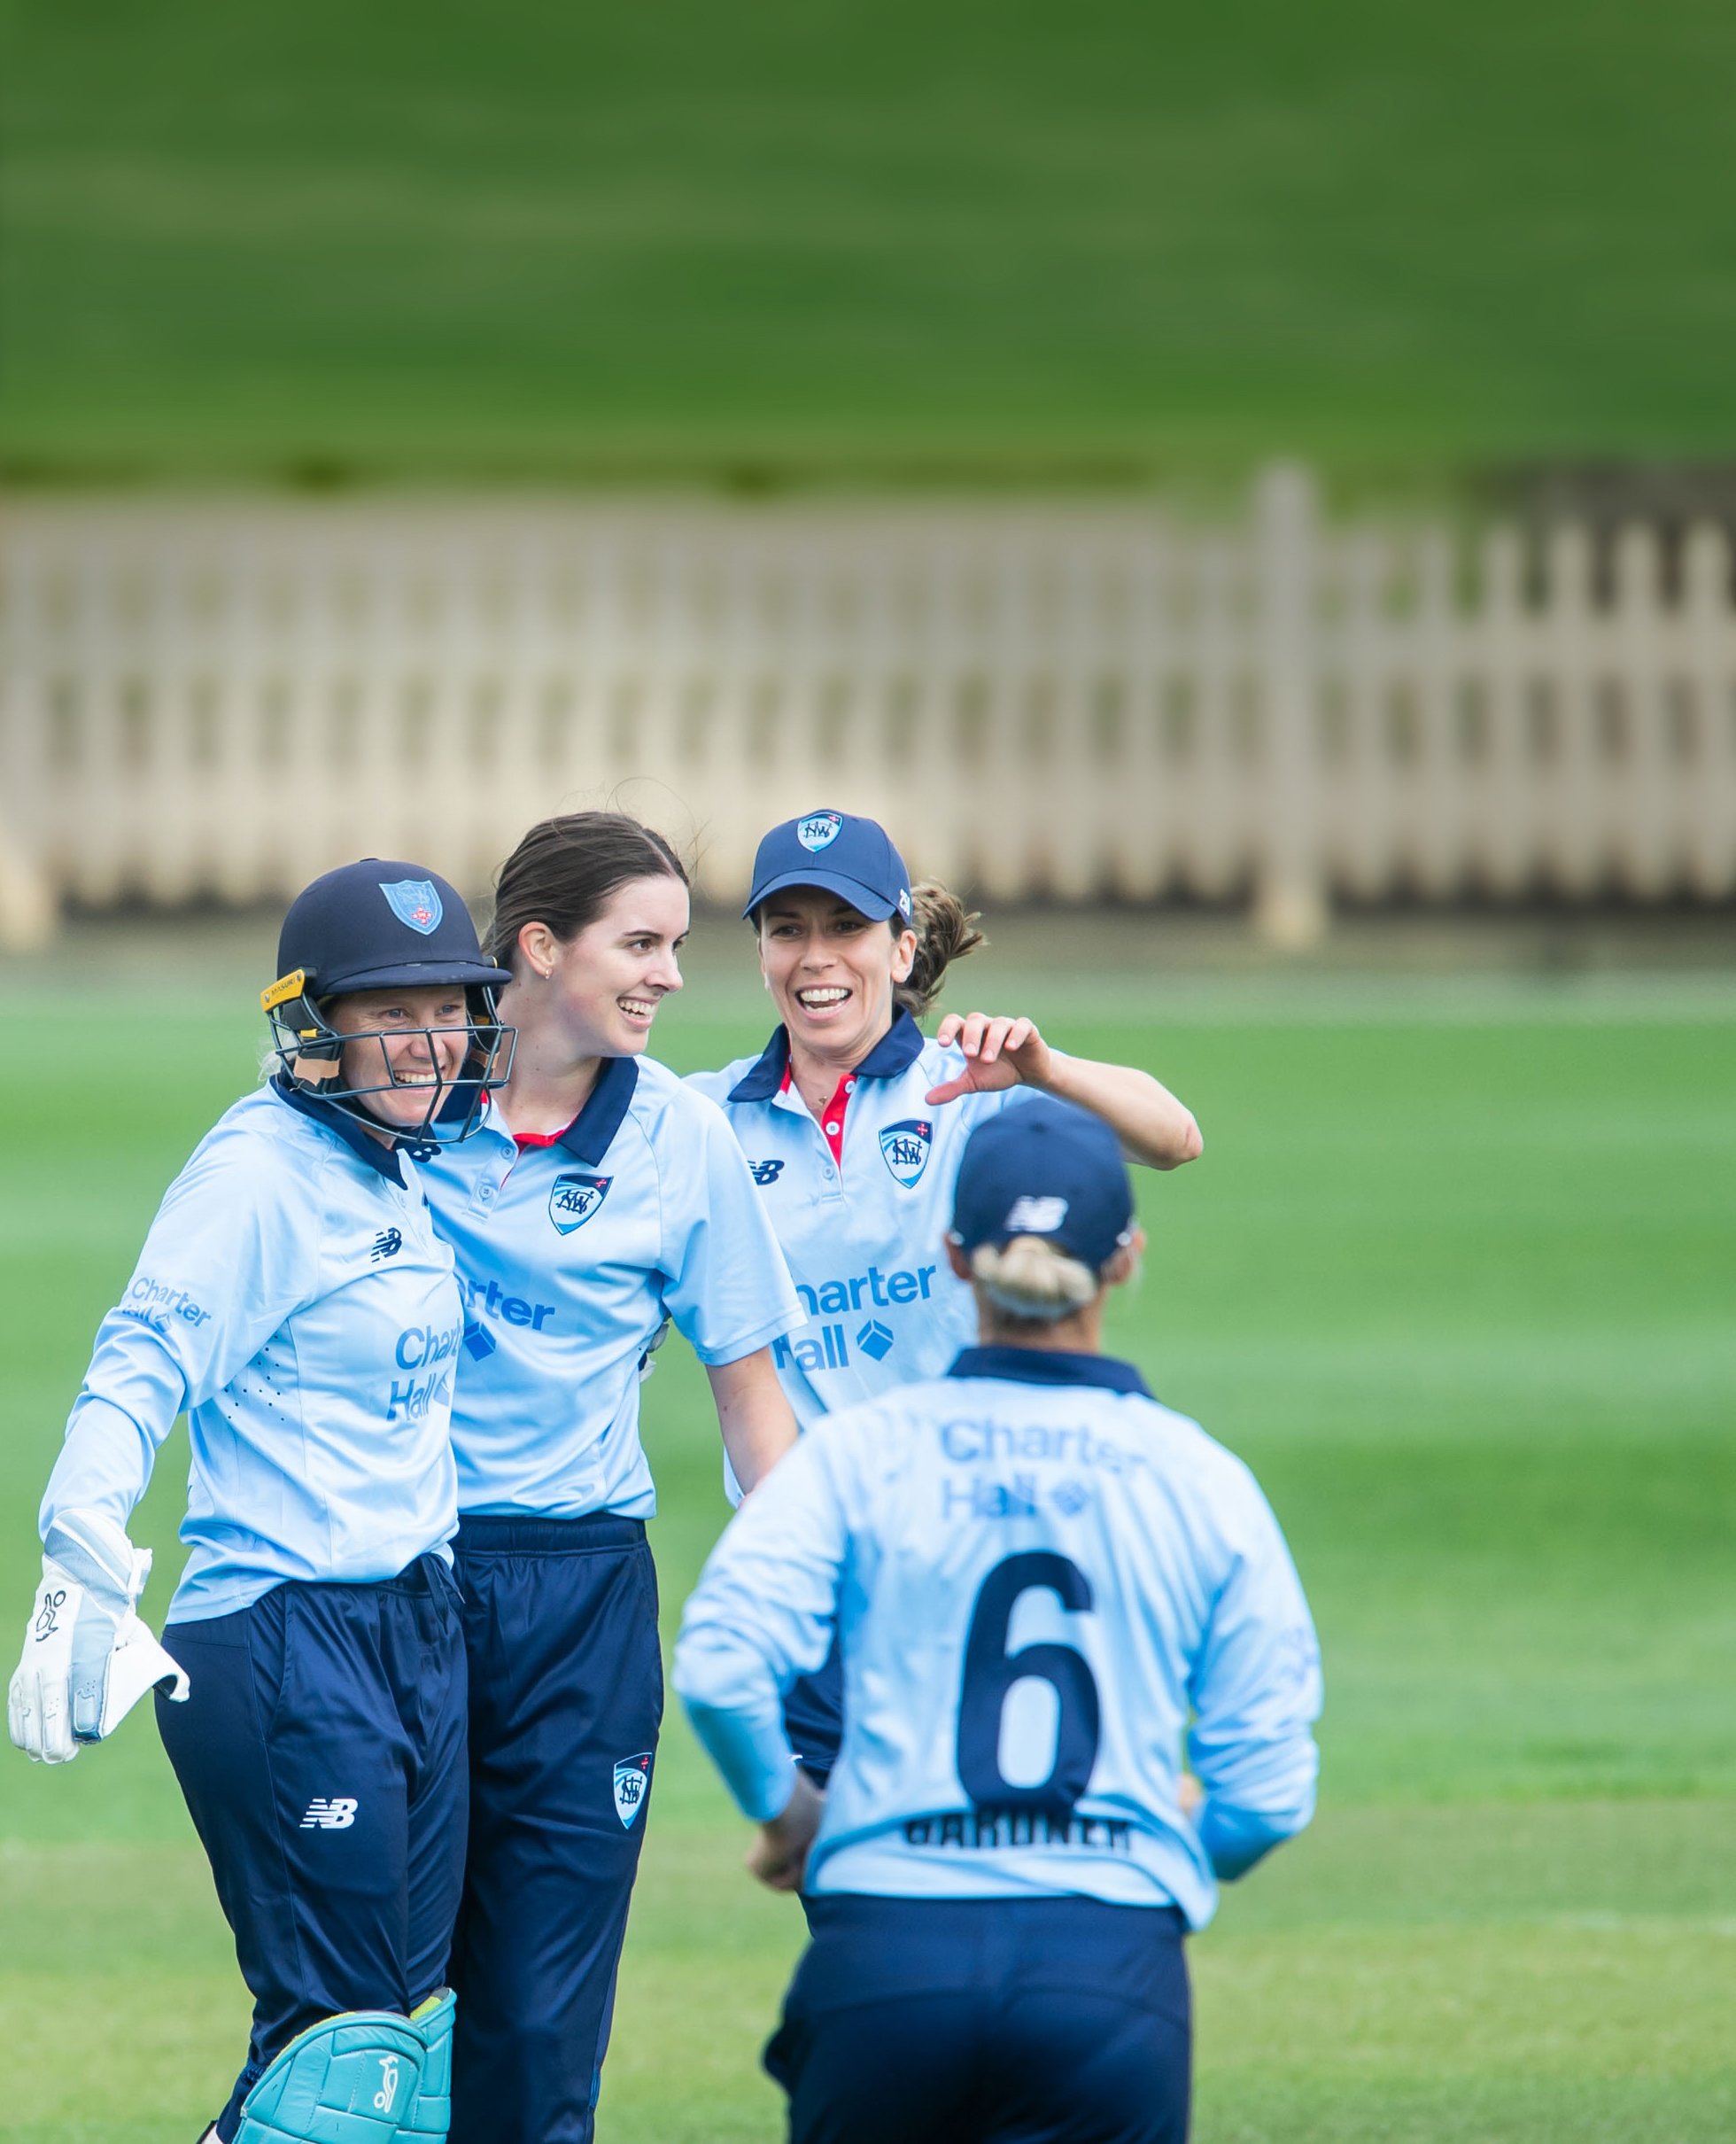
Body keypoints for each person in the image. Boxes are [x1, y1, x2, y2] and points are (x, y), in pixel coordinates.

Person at [673, 1097, 1321, 2144]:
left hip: (887, 1954)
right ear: (1124, 1258)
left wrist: (789, 1814)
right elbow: (1268, 1795)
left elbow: (717, 1663)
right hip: (1103, 1970)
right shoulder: (1197, 1476)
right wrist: (1158, 1843)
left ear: (955, 1257)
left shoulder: (860, 1452)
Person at [7, 859, 515, 2144]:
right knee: (336, 2070)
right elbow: (140, 1362)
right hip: (285, 1642)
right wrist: (79, 1544)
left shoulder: (397, 1167)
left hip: (414, 1627)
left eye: (448, 1007)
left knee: (393, 2053)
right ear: (320, 1024)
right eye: (389, 1010)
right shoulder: (257, 1173)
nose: (428, 1040)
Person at [414, 811, 802, 2144]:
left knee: (540, 2015)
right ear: (538, 946)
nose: (672, 975)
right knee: (372, 2003)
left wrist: (810, 1594)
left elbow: (750, 1394)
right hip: (394, 1589)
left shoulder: (682, 1139)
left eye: (678, 946)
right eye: (640, 943)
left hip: (579, 1601)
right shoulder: (399, 1104)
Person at [685, 807, 1203, 1777]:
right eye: (786, 928)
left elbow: (1173, 1138)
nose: (814, 956)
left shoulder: (970, 1086)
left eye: (844, 927)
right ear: (758, 949)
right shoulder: (708, 1114)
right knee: (855, 1892)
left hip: (967, 1533)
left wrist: (1043, 1069)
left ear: (902, 944)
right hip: (814, 1566)